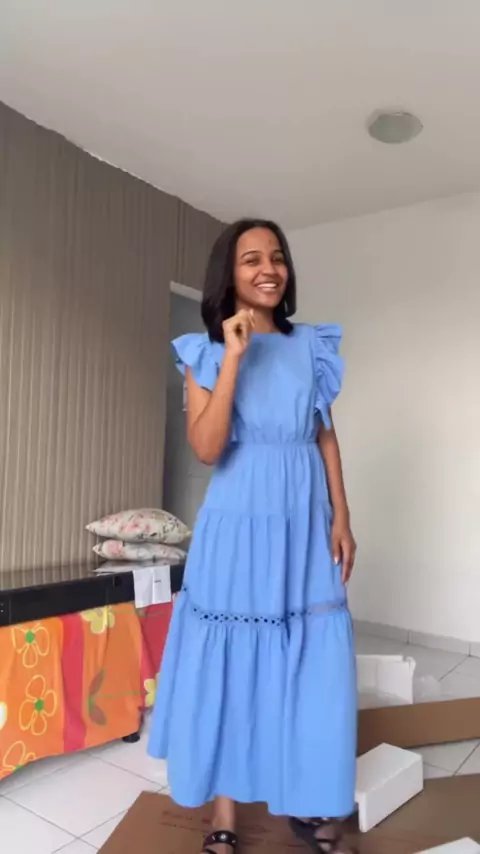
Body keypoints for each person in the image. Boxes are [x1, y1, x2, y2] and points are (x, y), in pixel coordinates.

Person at [148, 219, 358, 854]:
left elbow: (324, 435)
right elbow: (208, 448)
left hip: (303, 520)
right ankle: (225, 815)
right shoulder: (204, 351)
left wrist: (342, 516)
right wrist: (235, 356)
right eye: (252, 259)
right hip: (237, 524)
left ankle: (303, 798)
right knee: (234, 660)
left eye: (277, 257)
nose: (269, 269)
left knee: (309, 661)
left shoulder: (310, 345)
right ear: (229, 273)